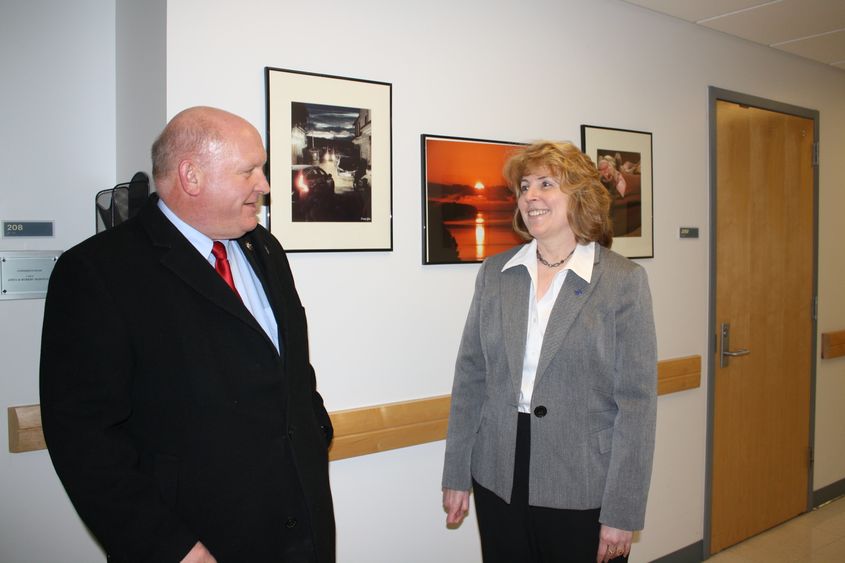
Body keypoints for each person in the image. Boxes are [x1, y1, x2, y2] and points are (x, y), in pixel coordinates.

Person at [40, 107, 335, 563]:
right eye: (249, 171)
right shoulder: (99, 271)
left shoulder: (266, 249)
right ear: (191, 176)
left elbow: (291, 366)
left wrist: (315, 432)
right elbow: (84, 436)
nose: (265, 185)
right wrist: (168, 547)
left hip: (300, 527)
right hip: (198, 539)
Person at [441, 141, 657, 563]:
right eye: (524, 187)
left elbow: (637, 405)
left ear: (580, 196)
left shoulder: (622, 282)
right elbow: (470, 378)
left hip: (584, 482)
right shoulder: (496, 274)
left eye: (545, 184)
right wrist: (456, 474)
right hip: (498, 473)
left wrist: (622, 511)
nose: (530, 196)